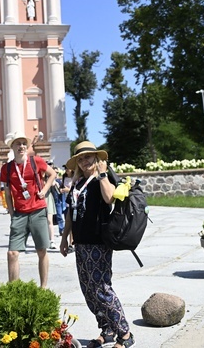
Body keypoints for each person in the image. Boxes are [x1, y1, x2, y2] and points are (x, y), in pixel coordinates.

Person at [60, 141, 135, 348]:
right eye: (80, 159)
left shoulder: (103, 178)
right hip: (81, 243)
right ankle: (107, 330)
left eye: (88, 157)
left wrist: (102, 174)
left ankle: (125, 334)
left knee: (102, 289)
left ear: (96, 158)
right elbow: (69, 213)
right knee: (88, 290)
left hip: (98, 242)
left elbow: (110, 198)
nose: (84, 161)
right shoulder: (76, 183)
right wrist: (64, 237)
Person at [0, 133, 57, 287]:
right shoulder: (7, 168)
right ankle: (14, 289)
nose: (21, 146)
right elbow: (6, 192)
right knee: (12, 253)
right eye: (18, 144)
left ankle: (43, 287)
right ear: (12, 147)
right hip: (19, 213)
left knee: (41, 251)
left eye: (24, 143)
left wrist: (44, 190)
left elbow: (53, 174)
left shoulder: (35, 161)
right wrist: (11, 212)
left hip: (38, 210)